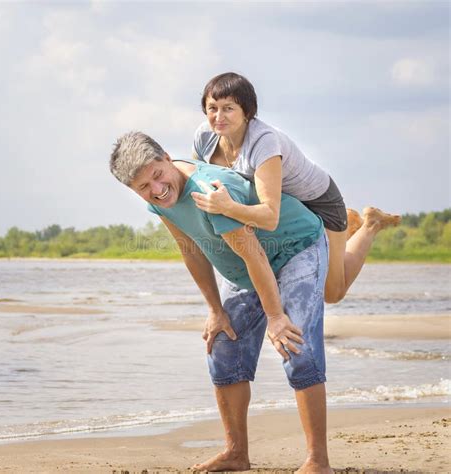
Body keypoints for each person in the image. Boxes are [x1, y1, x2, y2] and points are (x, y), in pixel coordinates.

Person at [110, 131, 333, 473]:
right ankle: (236, 454)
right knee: (223, 348)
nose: (156, 189)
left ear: (167, 158)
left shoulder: (209, 190)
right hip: (247, 268)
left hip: (295, 249)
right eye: (143, 187)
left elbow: (255, 254)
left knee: (295, 345)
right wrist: (215, 310)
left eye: (157, 176)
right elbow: (191, 249)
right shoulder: (158, 201)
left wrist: (276, 316)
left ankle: (318, 461)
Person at [191, 72, 401, 304]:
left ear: (247, 112)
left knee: (333, 293)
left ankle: (370, 225)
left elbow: (270, 217)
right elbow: (196, 177)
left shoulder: (263, 141)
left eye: (228, 108)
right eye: (212, 108)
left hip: (318, 202)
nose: (218, 116)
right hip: (286, 208)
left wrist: (228, 207)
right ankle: (346, 230)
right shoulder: (205, 137)